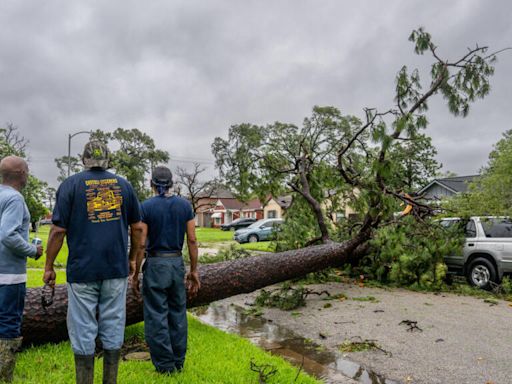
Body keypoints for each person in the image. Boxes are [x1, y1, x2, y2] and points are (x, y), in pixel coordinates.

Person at [43, 140, 144, 384]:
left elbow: (57, 231)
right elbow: (138, 229)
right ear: (108, 159)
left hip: (82, 270)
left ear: (83, 160)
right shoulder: (124, 185)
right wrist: (132, 260)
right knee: (113, 324)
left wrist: (48, 266)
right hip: (115, 268)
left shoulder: (70, 185)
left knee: (82, 327)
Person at [130, 166, 200, 375]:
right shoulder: (184, 206)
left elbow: (141, 244)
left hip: (156, 264)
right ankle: (178, 361)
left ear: (152, 184)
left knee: (156, 315)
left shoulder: (146, 207)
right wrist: (194, 271)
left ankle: (164, 366)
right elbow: (193, 240)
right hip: (177, 263)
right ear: (172, 184)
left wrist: (136, 273)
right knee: (178, 313)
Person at [0, 156, 43, 383]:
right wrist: (33, 250)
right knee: (8, 325)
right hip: (9, 276)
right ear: (22, 173)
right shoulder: (15, 199)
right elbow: (8, 234)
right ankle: (4, 376)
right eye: (27, 169)